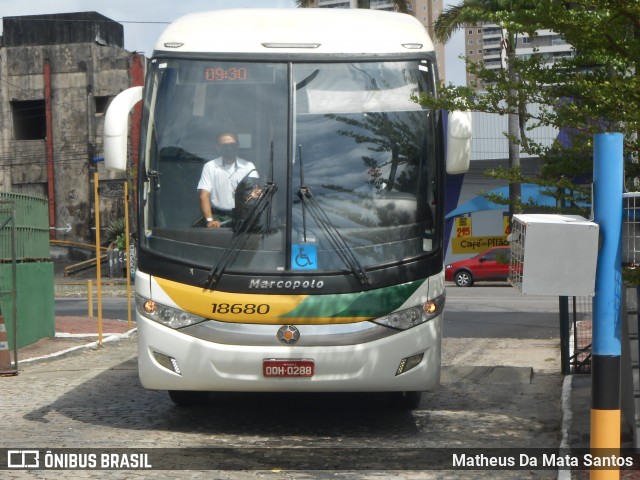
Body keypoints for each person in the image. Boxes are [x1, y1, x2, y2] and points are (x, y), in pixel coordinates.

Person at [197, 132, 261, 228]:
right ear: (218, 147)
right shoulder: (210, 166)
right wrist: (210, 220)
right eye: (225, 145)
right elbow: (203, 196)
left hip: (243, 217)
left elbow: (256, 193)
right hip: (217, 218)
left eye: (232, 145)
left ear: (238, 146)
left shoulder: (248, 166)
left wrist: (254, 195)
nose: (229, 148)